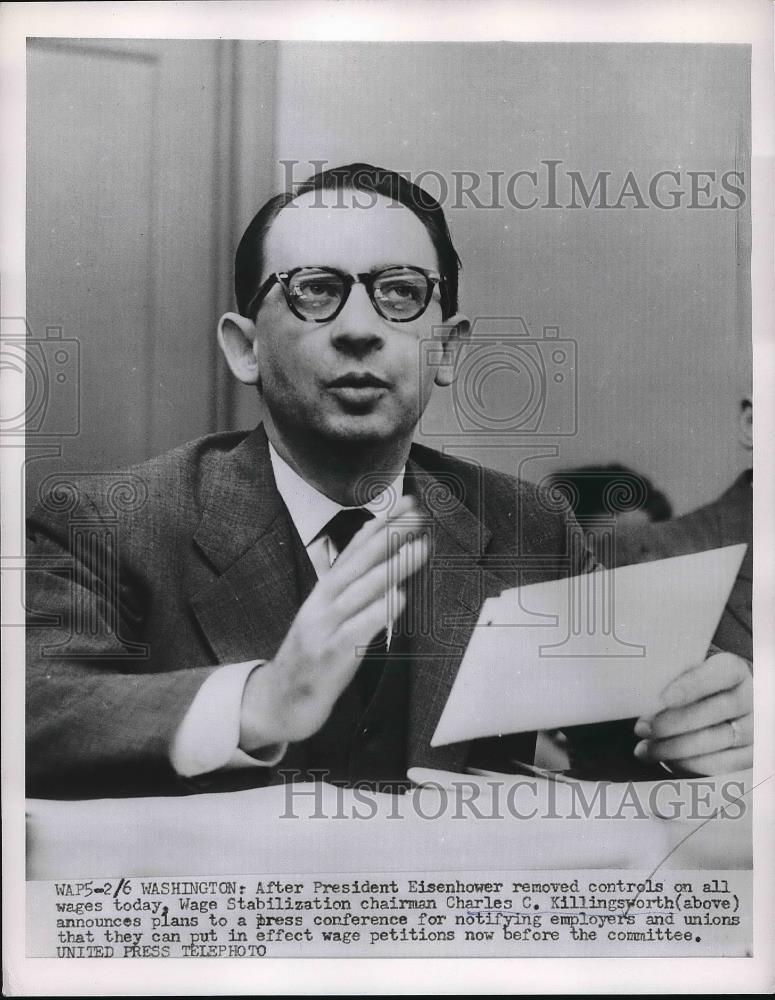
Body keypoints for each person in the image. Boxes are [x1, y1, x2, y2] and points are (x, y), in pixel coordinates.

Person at [25, 164, 753, 799]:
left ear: (446, 348)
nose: (359, 329)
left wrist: (701, 733)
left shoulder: (531, 526)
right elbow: (30, 713)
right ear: (244, 348)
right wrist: (259, 703)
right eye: (314, 290)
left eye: (399, 293)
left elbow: (627, 748)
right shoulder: (111, 521)